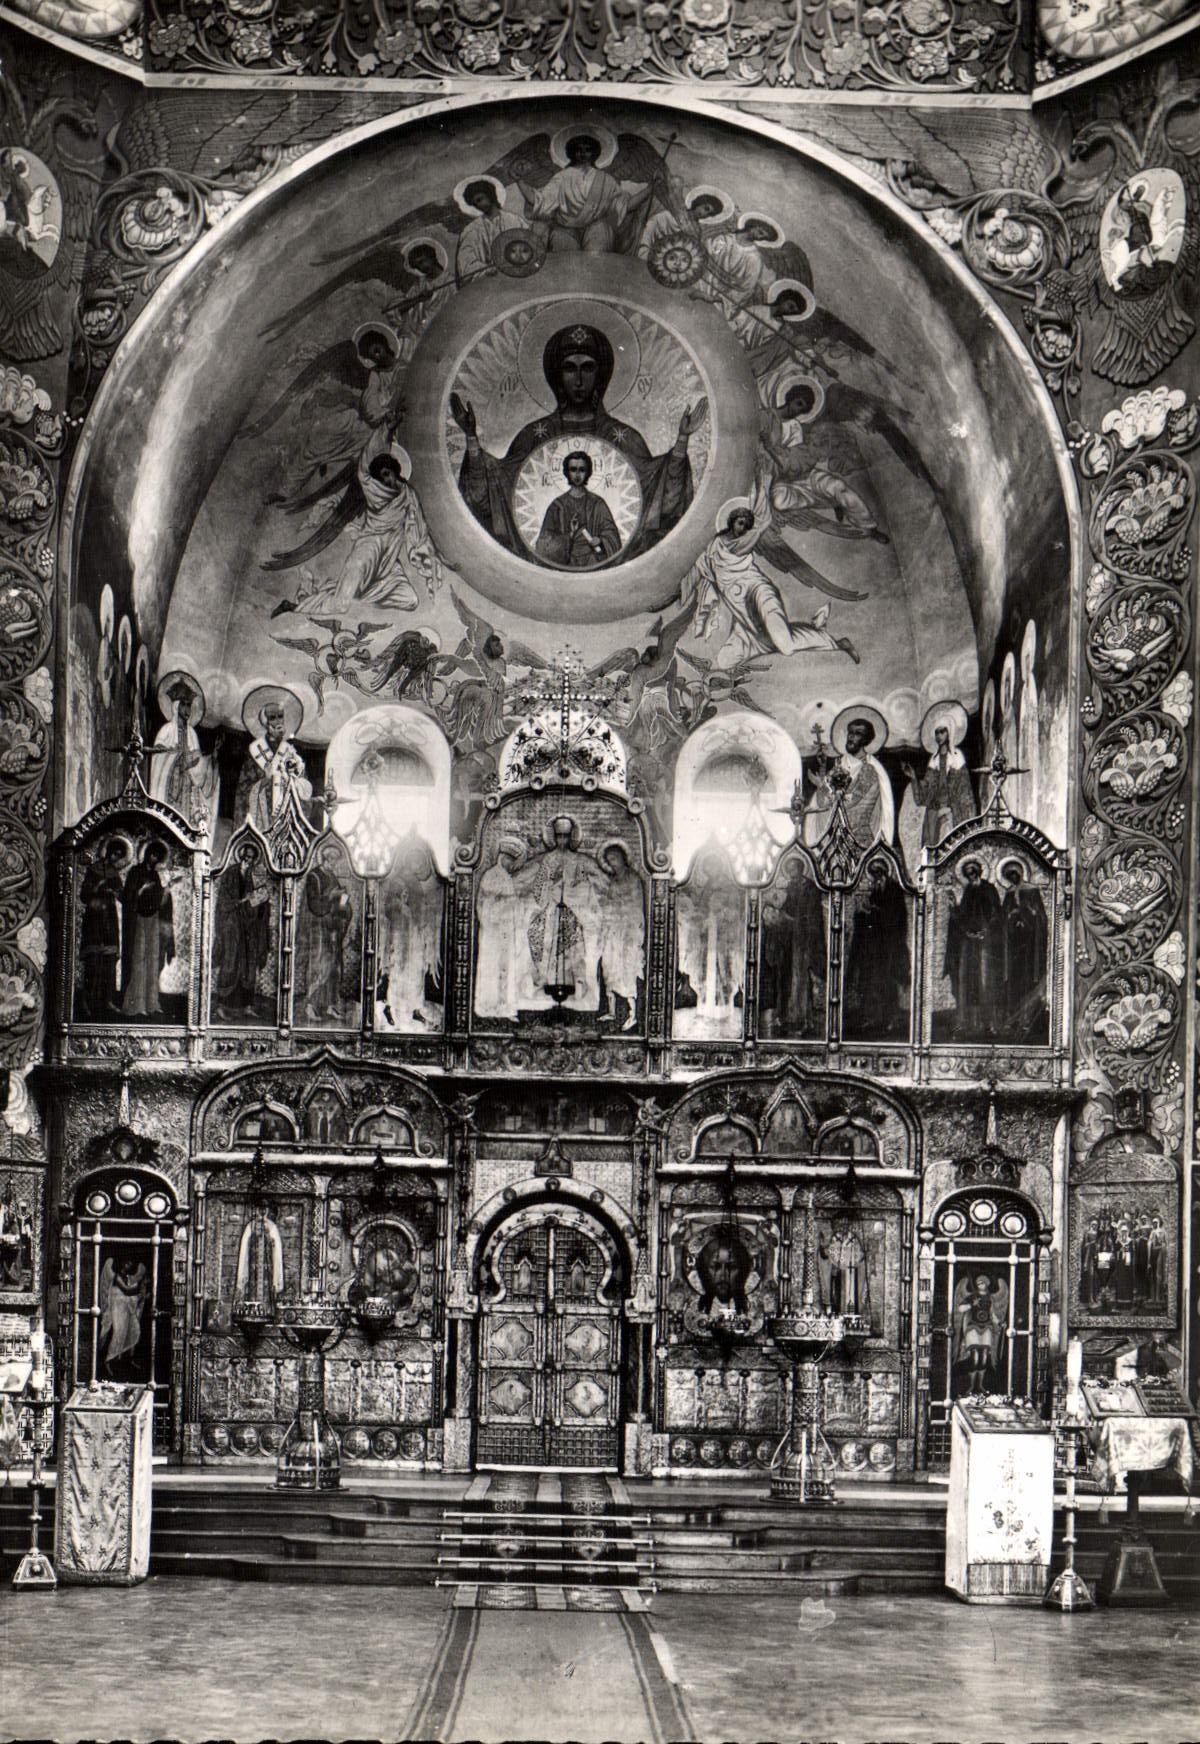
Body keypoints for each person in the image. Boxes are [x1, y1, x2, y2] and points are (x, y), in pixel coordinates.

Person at [452, 322, 705, 565]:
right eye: (570, 369)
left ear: (601, 373)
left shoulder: (625, 437)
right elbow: (493, 490)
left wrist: (682, 439)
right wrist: (471, 438)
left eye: (589, 368)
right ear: (557, 375)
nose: (580, 379)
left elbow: (661, 495)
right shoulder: (533, 436)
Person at [682, 483, 859, 671]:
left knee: (786, 646)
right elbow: (699, 571)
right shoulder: (713, 547)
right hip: (744, 619)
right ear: (731, 520)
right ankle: (772, 638)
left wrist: (763, 484)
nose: (743, 528)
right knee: (724, 661)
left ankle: (835, 642)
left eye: (746, 525)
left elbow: (762, 521)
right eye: (740, 523)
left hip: (758, 593)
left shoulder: (742, 542)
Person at [512, 814, 607, 1013]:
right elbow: (539, 887)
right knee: (548, 949)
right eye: (559, 836)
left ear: (571, 836)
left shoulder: (576, 861)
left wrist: (569, 894)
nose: (562, 840)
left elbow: (583, 887)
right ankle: (547, 987)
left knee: (573, 951)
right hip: (552, 913)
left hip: (572, 914)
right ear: (554, 837)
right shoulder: (548, 860)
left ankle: (576, 989)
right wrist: (552, 888)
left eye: (565, 836)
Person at [517, 134, 650, 254]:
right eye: (579, 149)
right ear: (572, 153)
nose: (583, 153)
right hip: (566, 229)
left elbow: (625, 205)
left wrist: (650, 188)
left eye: (587, 149)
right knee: (564, 259)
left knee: (599, 245)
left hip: (596, 229)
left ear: (594, 153)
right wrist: (519, 181)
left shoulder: (605, 179)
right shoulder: (562, 177)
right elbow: (541, 201)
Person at [842, 859, 910, 1039]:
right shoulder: (875, 891)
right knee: (870, 981)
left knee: (887, 981)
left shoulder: (894, 889)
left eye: (878, 875)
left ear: (884, 873)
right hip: (874, 947)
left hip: (889, 946)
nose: (875, 879)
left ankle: (890, 1018)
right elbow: (870, 919)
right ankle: (874, 1017)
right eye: (873, 876)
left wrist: (875, 911)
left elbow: (896, 917)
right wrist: (863, 913)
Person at [759, 859, 826, 1038]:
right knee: (786, 977)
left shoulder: (810, 887)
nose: (791, 873)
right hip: (788, 939)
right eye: (788, 870)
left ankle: (802, 1019)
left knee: (800, 978)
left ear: (801, 868)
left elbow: (812, 915)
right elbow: (785, 907)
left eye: (794, 869)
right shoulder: (788, 887)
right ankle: (785, 1016)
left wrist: (795, 921)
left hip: (803, 940)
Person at [148, 675, 221, 840]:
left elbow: (197, 764)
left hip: (186, 786)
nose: (188, 710)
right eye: (184, 705)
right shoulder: (167, 730)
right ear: (176, 706)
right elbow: (158, 757)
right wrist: (172, 755)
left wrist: (210, 758)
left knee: (185, 823)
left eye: (190, 706)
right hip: (169, 785)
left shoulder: (192, 734)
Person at [212, 842, 273, 1021]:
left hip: (247, 928)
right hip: (232, 928)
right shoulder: (231, 873)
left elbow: (251, 904)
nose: (249, 861)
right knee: (231, 964)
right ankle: (222, 1006)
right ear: (241, 856)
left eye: (252, 859)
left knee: (247, 965)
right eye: (246, 857)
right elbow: (224, 901)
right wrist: (241, 900)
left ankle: (246, 1005)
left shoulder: (250, 876)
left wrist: (262, 903)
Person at [942, 859, 1002, 1037]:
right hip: (969, 942)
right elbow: (963, 915)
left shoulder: (989, 889)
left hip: (986, 941)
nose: (971, 875)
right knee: (969, 981)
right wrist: (953, 906)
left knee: (986, 981)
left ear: (979, 871)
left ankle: (989, 1023)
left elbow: (995, 914)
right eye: (968, 873)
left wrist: (986, 931)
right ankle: (969, 1022)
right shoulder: (968, 890)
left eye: (974, 871)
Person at [535, 450, 623, 568]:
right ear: (567, 472)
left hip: (593, 562)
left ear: (588, 472)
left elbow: (612, 535)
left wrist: (601, 540)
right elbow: (543, 545)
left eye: (582, 470)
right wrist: (569, 536)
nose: (577, 475)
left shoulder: (598, 504)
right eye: (573, 469)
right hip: (566, 564)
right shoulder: (556, 506)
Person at [474, 836, 529, 1021]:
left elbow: (510, 902)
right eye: (510, 860)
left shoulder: (506, 877)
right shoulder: (491, 876)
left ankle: (506, 1008)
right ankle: (489, 1007)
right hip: (493, 933)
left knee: (508, 968)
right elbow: (486, 905)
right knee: (492, 968)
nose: (512, 865)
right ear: (502, 857)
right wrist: (507, 903)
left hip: (507, 931)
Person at [236, 701, 312, 831]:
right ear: (265, 722)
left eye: (280, 716)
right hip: (262, 814)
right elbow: (243, 790)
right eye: (272, 717)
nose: (278, 722)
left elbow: (304, 791)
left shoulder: (291, 752)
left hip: (285, 815)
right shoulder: (254, 751)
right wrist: (265, 780)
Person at [299, 844, 354, 1023]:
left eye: (335, 861)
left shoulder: (331, 876)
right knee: (320, 964)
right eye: (331, 861)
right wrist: (331, 896)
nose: (334, 865)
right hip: (319, 927)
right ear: (325, 859)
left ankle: (330, 1005)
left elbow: (337, 903)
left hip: (333, 927)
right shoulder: (314, 876)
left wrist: (343, 903)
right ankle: (310, 1005)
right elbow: (314, 904)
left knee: (334, 967)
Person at [902, 722, 975, 856]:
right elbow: (926, 791)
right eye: (937, 733)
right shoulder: (933, 760)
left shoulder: (957, 758)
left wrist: (950, 807)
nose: (939, 736)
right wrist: (914, 778)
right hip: (934, 813)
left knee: (952, 849)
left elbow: (964, 791)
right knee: (932, 850)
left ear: (949, 733)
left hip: (952, 813)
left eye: (943, 732)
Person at [120, 840, 175, 1019]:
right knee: (139, 960)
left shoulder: (156, 875)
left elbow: (160, 900)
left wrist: (165, 891)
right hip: (139, 921)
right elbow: (127, 897)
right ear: (147, 855)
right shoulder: (135, 872)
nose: (154, 859)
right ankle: (136, 1004)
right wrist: (140, 891)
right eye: (152, 855)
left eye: (158, 857)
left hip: (152, 920)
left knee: (152, 960)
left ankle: (152, 1003)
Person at [78, 837, 129, 1017]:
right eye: (115, 853)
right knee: (93, 962)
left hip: (109, 920)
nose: (116, 858)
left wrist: (118, 893)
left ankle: (107, 1001)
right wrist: (99, 887)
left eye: (120, 856)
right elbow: (84, 895)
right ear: (109, 852)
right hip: (95, 918)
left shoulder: (114, 873)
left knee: (108, 962)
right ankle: (86, 1001)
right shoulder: (94, 869)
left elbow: (122, 897)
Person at [997, 861, 1048, 1041]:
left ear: (1021, 873)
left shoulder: (1031, 890)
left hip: (1030, 943)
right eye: (1009, 875)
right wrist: (1010, 916)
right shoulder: (1009, 893)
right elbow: (1003, 917)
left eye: (1015, 874)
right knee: (1014, 982)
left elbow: (1041, 916)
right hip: (1014, 944)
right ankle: (1014, 1019)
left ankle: (1026, 1018)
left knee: (1028, 980)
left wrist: (1031, 914)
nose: (1013, 877)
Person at [596, 842, 645, 1030]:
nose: (613, 863)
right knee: (609, 968)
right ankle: (612, 1010)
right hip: (613, 931)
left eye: (615, 859)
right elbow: (607, 904)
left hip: (627, 932)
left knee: (626, 972)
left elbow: (634, 905)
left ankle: (633, 1014)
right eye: (609, 861)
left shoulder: (632, 879)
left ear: (623, 858)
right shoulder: (613, 881)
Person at [454, 178, 528, 285]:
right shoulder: (472, 230)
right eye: (475, 204)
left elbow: (531, 243)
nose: (478, 205)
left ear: (490, 196)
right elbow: (466, 263)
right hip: (491, 282)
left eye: (480, 199)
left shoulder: (514, 220)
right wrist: (486, 270)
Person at [951, 1272, 1007, 1396]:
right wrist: (971, 1304)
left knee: (985, 1357)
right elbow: (960, 1309)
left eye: (981, 1283)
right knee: (975, 1357)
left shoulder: (990, 1298)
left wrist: (1000, 1323)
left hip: (986, 1327)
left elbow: (992, 1315)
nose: (979, 1285)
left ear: (986, 1283)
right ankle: (971, 1385)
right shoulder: (973, 1296)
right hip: (973, 1328)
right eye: (977, 1283)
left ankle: (980, 1385)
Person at [98, 1254, 149, 1373]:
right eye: (126, 1264)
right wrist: (140, 1287)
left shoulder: (126, 1276)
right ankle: (108, 1361)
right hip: (117, 1310)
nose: (128, 1266)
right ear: (121, 1264)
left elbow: (130, 1292)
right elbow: (127, 1290)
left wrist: (141, 1291)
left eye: (130, 1265)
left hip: (125, 1310)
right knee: (118, 1334)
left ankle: (126, 1359)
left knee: (133, 1331)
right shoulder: (116, 1277)